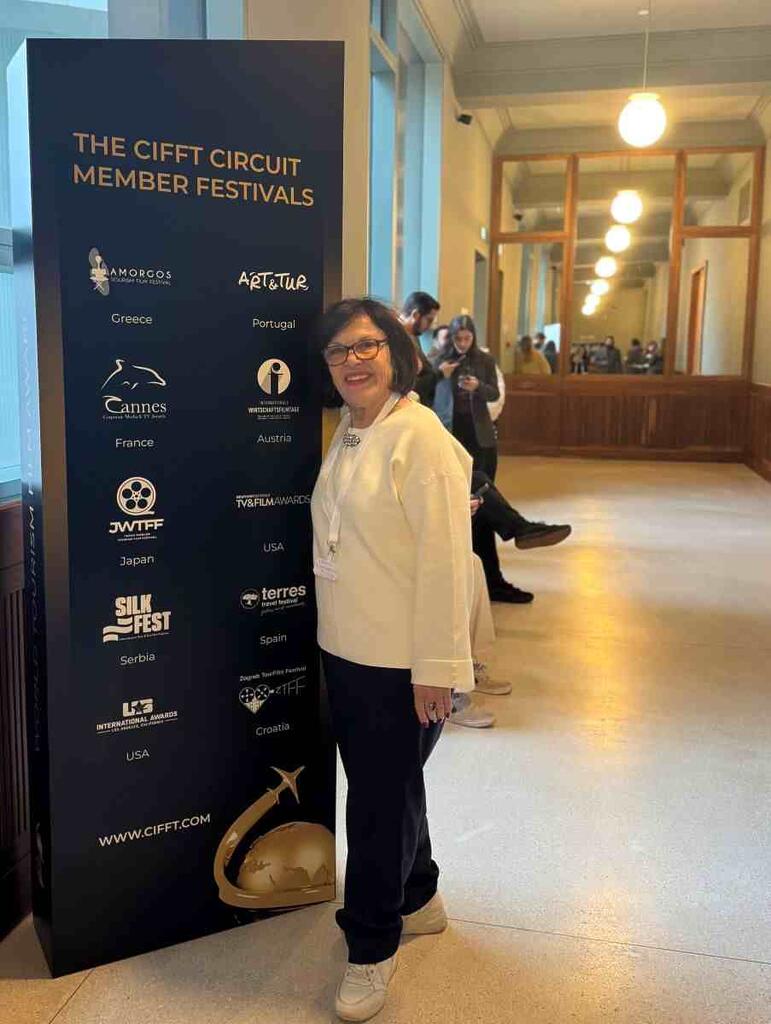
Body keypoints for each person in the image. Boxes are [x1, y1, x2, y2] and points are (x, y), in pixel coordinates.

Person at [312, 297, 474, 1021]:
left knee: (376, 804)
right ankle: (419, 896)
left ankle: (371, 947)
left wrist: (435, 669)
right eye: (338, 351)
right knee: (392, 783)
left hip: (399, 662)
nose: (352, 361)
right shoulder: (353, 428)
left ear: (397, 352)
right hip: (346, 648)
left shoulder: (420, 438)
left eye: (366, 345)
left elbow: (446, 564)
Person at [400, 291, 441, 406]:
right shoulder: (395, 337)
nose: (430, 325)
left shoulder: (413, 336)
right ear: (416, 315)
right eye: (429, 320)